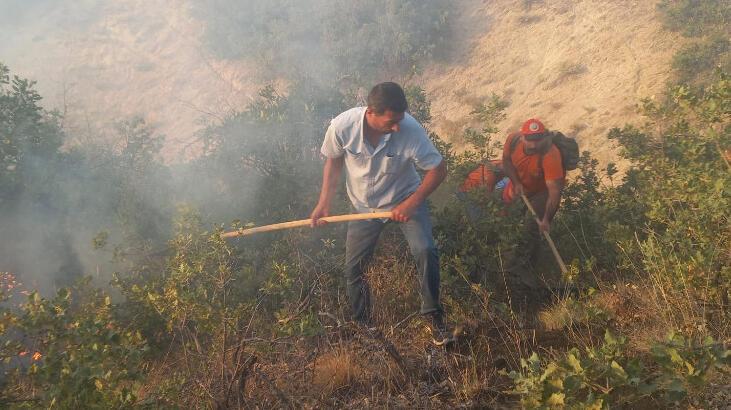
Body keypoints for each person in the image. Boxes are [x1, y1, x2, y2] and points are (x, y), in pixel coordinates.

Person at [310, 82, 448, 339]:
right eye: (391, 121)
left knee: (425, 249)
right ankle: (364, 326)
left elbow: (438, 170)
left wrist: (412, 203)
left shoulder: (410, 130)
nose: (396, 127)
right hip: (364, 207)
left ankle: (433, 317)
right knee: (354, 268)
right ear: (372, 112)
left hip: (405, 197)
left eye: (400, 120)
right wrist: (324, 202)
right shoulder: (342, 126)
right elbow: (334, 160)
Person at [501, 118, 565, 292]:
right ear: (522, 137)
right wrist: (515, 182)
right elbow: (506, 161)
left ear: (544, 137)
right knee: (504, 222)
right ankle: (508, 263)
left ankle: (523, 270)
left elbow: (554, 193)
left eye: (537, 139)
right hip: (519, 187)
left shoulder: (550, 154)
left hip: (541, 192)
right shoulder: (513, 140)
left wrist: (546, 220)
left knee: (531, 226)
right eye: (530, 139)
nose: (534, 144)